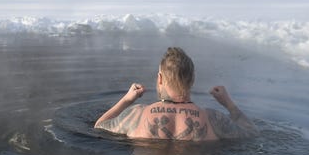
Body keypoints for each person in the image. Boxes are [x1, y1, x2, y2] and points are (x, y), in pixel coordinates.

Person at [94, 47, 258, 140]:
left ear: (159, 79)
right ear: (192, 79)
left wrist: (126, 100)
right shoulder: (212, 119)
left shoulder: (137, 114)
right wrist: (228, 103)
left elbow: (99, 126)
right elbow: (252, 132)